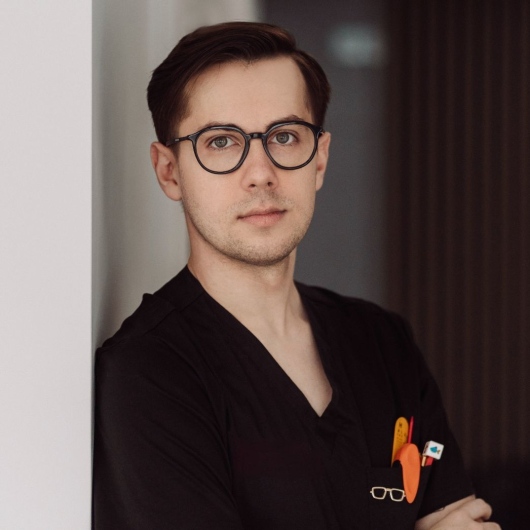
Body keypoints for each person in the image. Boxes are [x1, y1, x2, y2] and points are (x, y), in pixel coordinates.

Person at [92, 22, 500, 530]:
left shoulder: (382, 340)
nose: (260, 173)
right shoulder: (150, 374)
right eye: (221, 142)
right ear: (169, 171)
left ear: (320, 159)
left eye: (284, 137)